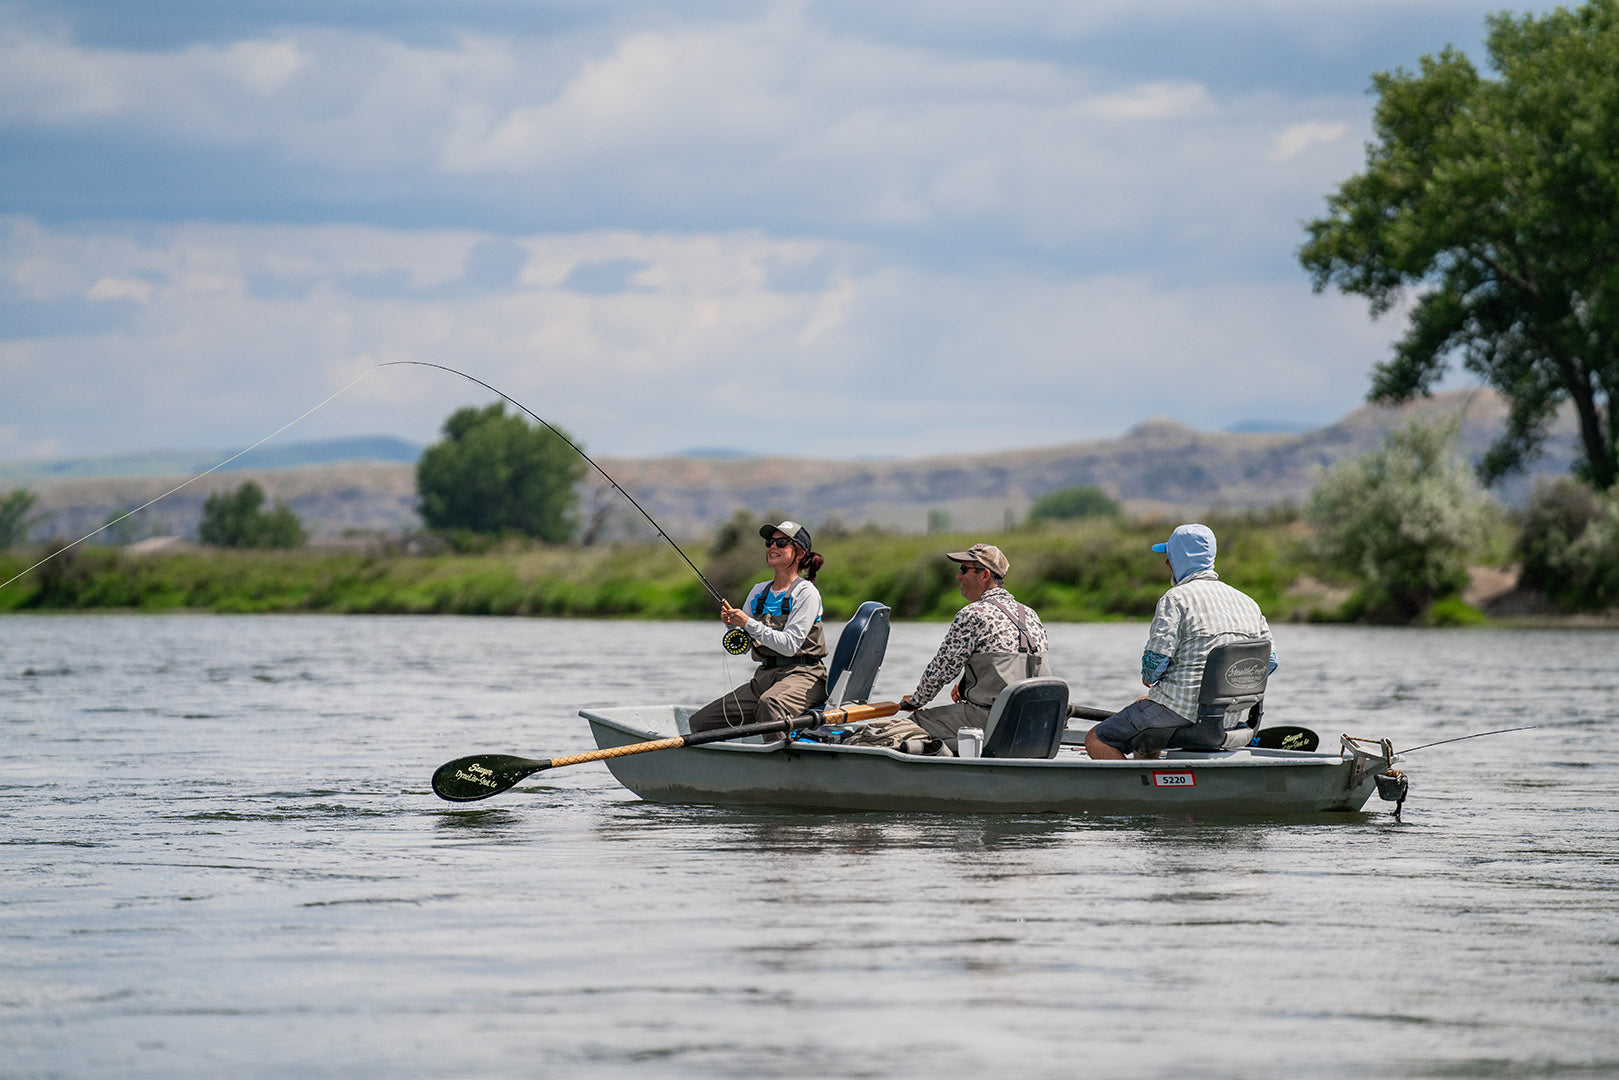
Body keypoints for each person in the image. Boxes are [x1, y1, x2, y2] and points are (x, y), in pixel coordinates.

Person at [1085, 523, 1275, 760]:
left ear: (1179, 559)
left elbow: (1155, 665)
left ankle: (1139, 794)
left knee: (1097, 738)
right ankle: (1156, 782)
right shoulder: (1247, 602)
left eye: (1170, 556)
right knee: (1145, 706)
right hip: (1230, 719)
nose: (1166, 563)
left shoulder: (1175, 599)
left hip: (1182, 715)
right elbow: (1270, 662)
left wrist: (1148, 675)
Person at [897, 543, 1051, 746]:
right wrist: (965, 686)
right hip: (1037, 723)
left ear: (984, 575)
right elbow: (1011, 666)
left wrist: (916, 701)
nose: (958, 576)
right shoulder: (1029, 613)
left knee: (912, 726)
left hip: (995, 720)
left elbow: (942, 669)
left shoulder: (973, 614)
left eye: (963, 569)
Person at [688, 520, 829, 734]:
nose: (772, 546)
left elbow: (790, 646)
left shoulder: (806, 592)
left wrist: (747, 622)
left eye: (781, 542)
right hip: (764, 677)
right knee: (701, 723)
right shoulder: (758, 591)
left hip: (805, 676)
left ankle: (780, 762)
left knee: (769, 704)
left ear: (799, 553)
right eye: (769, 542)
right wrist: (731, 627)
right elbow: (742, 647)